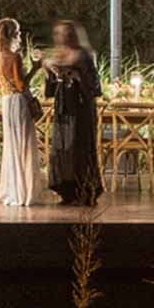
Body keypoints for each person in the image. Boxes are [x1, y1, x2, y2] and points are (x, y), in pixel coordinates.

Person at [43, 19, 103, 205]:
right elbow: (51, 90)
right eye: (58, 33)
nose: (61, 37)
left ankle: (85, 190)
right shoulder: (58, 55)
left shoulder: (83, 55)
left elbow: (93, 85)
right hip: (63, 105)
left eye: (65, 33)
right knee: (63, 147)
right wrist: (49, 73)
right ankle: (66, 189)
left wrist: (74, 75)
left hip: (80, 107)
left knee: (80, 147)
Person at [0, 17, 42, 207]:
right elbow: (21, 85)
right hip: (18, 103)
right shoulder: (14, 57)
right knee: (24, 144)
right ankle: (23, 193)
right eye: (18, 32)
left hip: (6, 101)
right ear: (12, 34)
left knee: (11, 145)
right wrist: (35, 69)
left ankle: (11, 189)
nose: (20, 35)